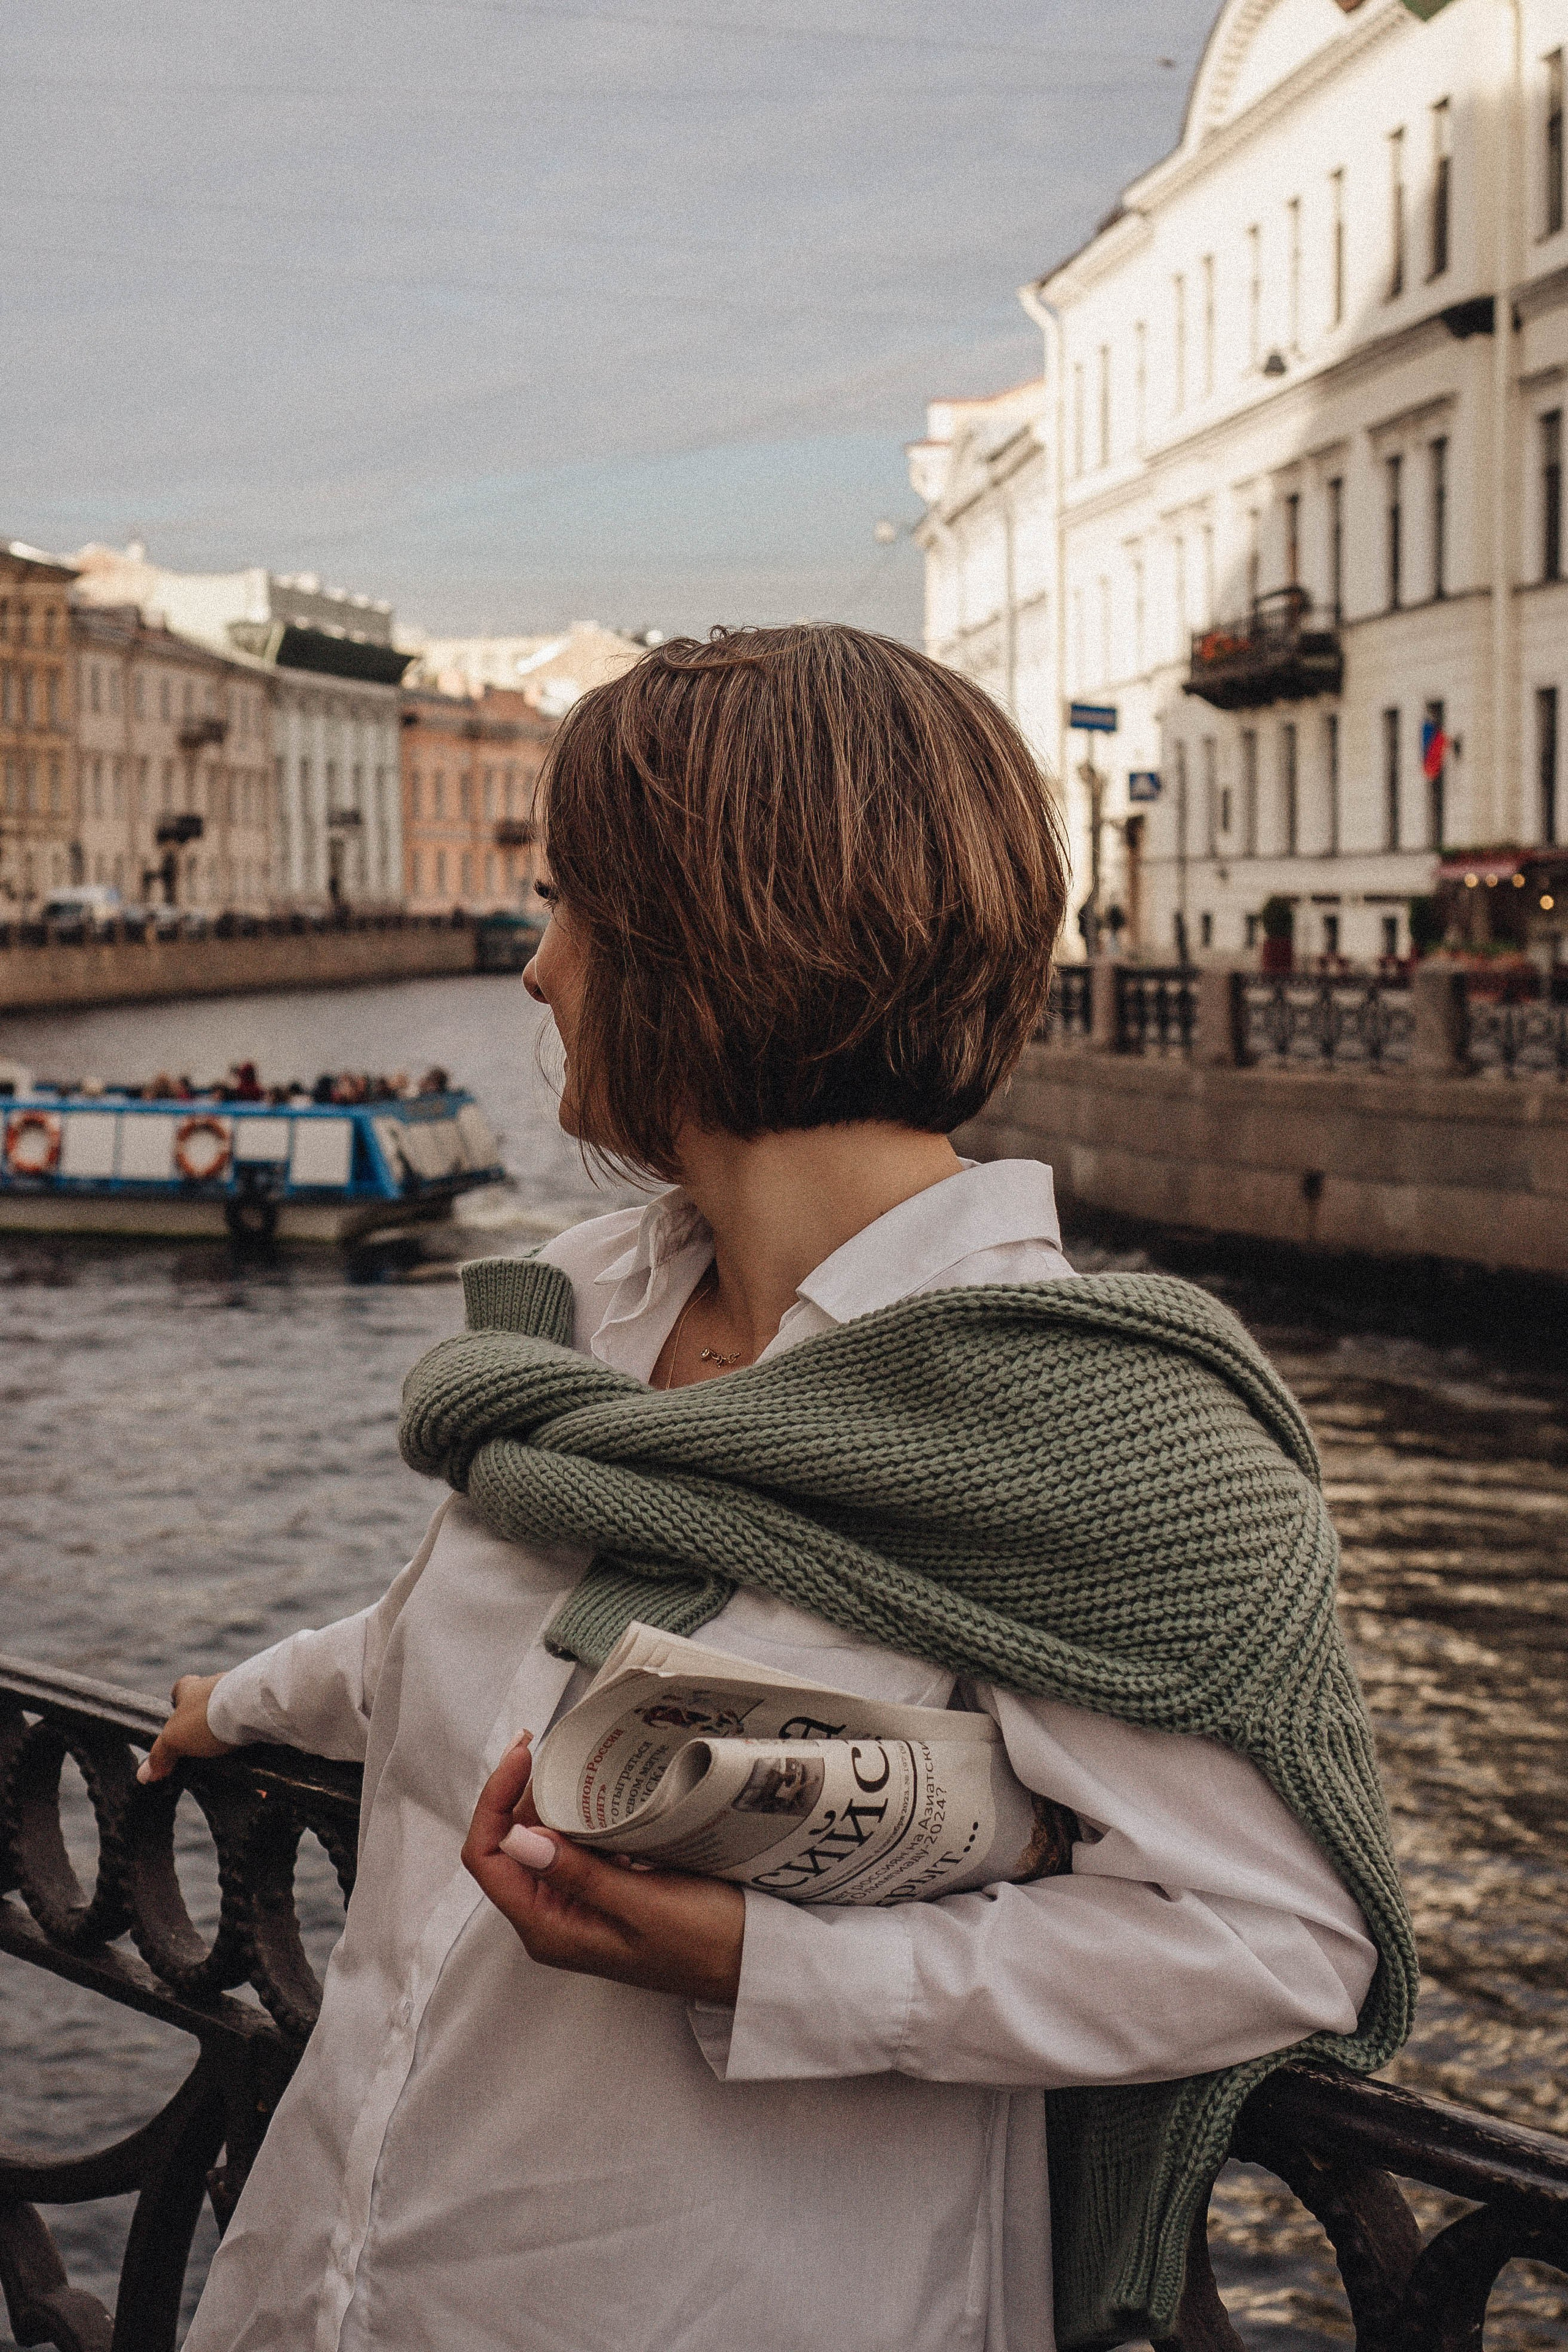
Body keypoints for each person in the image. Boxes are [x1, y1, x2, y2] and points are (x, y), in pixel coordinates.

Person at [144, 625, 1414, 2352]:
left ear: (712, 941)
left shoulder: (1093, 1439)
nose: (537, 973)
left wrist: (775, 1966)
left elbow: (1278, 1943)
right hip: (345, 2280)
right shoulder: (585, 1322)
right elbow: (444, 1647)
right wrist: (241, 1699)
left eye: (570, 906)